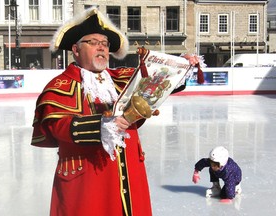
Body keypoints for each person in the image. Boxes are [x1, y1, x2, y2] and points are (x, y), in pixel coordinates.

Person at [31, 7, 199, 216]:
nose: (101, 48)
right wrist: (99, 125)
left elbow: (155, 81)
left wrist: (180, 66)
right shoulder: (61, 84)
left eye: (105, 44)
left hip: (130, 173)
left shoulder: (120, 77)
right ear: (76, 49)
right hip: (87, 182)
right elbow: (57, 126)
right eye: (93, 43)